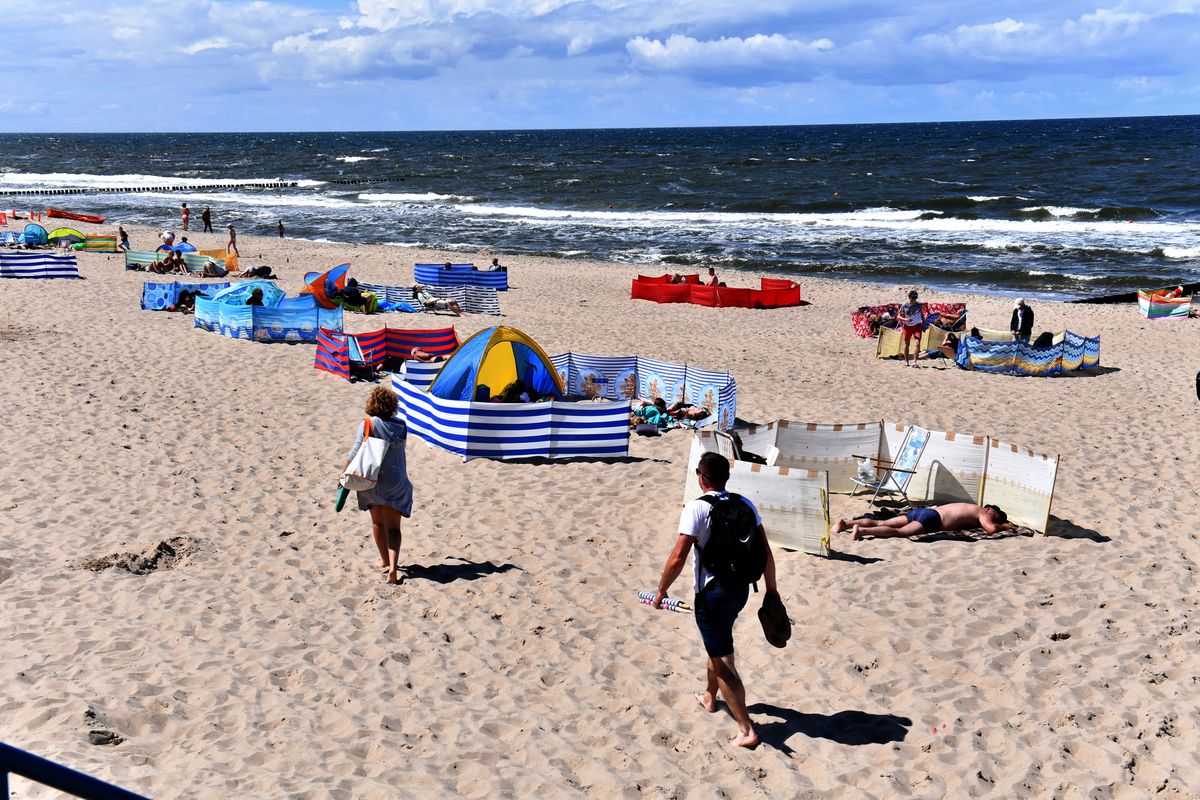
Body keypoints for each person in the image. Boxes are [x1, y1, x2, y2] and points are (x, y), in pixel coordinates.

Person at [651, 451, 778, 749]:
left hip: (712, 595)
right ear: (726, 477)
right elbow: (766, 552)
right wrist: (772, 591)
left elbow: (678, 557)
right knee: (718, 643)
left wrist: (661, 591)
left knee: (723, 660)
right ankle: (710, 697)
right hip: (741, 590)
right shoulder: (744, 504)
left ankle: (747, 729)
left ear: (701, 476)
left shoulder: (696, 508)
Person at [344, 386, 413, 585]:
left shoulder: (367, 424)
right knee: (394, 527)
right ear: (393, 406)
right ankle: (393, 567)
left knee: (378, 522)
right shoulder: (402, 426)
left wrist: (343, 474)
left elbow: (355, 452)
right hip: (396, 481)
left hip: (372, 480)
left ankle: (383, 559)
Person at [833, 502, 1013, 541]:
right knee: (900, 533)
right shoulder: (983, 512)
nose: (992, 519)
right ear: (991, 510)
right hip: (933, 519)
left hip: (924, 511)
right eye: (995, 516)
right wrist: (1004, 526)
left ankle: (845, 523)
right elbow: (991, 530)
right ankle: (862, 531)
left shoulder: (969, 506)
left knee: (883, 522)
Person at [898, 290, 925, 367]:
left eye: (915, 298)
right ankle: (906, 362)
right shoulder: (905, 305)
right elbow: (898, 316)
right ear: (909, 297)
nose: (914, 300)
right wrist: (905, 320)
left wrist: (923, 324)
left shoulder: (919, 305)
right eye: (913, 298)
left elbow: (922, 314)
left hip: (917, 326)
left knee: (917, 343)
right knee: (907, 344)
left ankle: (915, 362)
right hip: (907, 326)